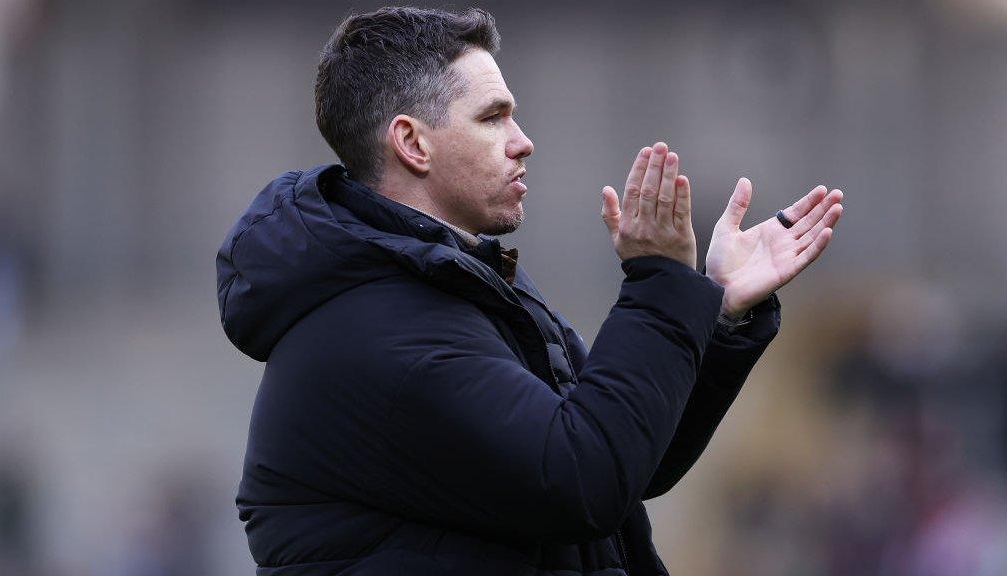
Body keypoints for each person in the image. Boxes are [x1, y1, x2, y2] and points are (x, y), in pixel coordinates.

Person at [215, 6, 843, 576]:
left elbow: (628, 458)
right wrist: (659, 284)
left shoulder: (451, 291)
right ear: (412, 143)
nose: (523, 142)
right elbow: (583, 478)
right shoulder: (380, 328)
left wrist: (716, 308)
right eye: (493, 118)